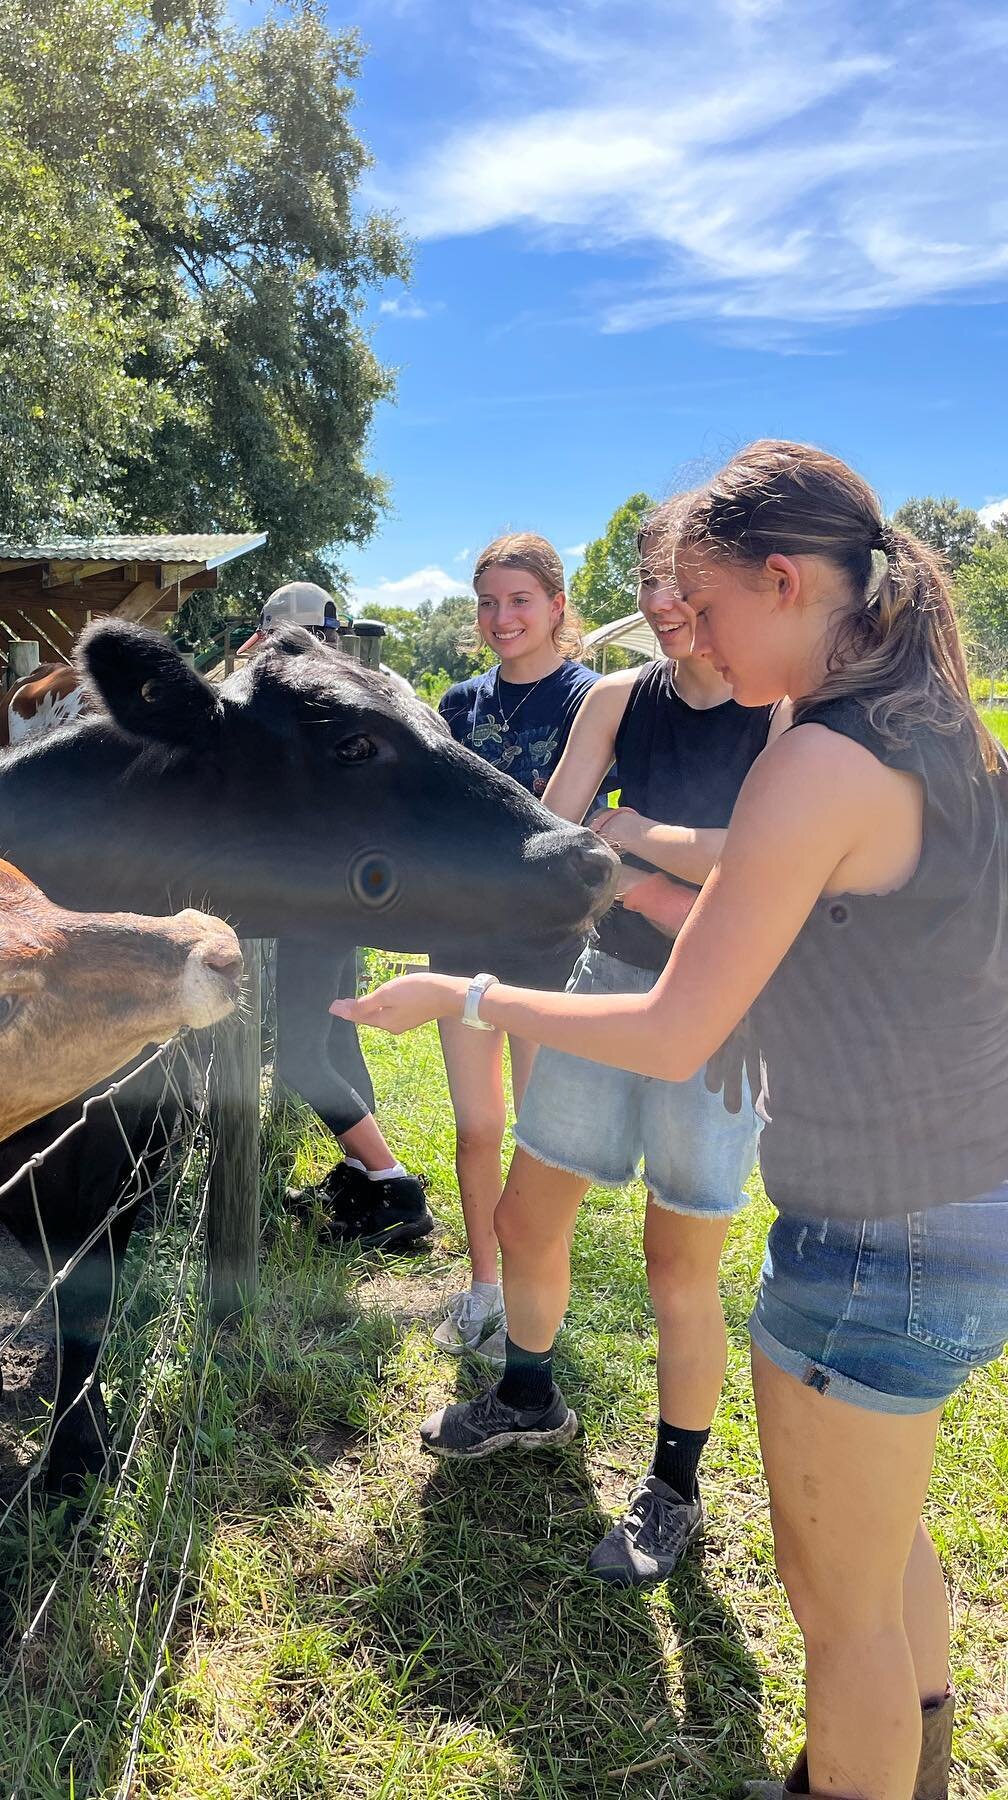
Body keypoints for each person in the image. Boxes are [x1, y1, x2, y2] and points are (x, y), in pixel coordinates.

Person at [334, 440, 1008, 1800]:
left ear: (782, 579)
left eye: (704, 606)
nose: (688, 636)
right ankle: (907, 1770)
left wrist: (465, 995)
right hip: (959, 1202)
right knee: (887, 1553)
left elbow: (672, 1027)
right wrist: (646, 843)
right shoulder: (936, 726)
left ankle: (863, 1776)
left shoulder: (817, 754)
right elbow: (759, 867)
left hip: (876, 1233)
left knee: (842, 1611)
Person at [412, 500, 789, 1585]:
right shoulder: (620, 701)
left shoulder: (778, 711)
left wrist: (631, 840)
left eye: (684, 581)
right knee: (532, 1213)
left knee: (680, 1258)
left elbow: (766, 862)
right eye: (650, 580)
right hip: (605, 976)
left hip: (718, 1004)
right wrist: (654, 864)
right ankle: (529, 1395)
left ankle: (674, 1485)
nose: (665, 604)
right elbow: (553, 840)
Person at [428, 534, 601, 1360]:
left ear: (557, 606)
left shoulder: (591, 699)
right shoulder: (459, 704)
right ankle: (484, 1289)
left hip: (548, 946)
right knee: (476, 1128)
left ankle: (537, 1305)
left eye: (520, 600)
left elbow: (592, 824)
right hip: (461, 936)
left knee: (541, 1137)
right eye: (490, 603)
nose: (503, 618)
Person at [250, 581, 434, 1248]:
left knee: (300, 1053)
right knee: (337, 1033)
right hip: (355, 892)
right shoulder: (375, 686)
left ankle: (393, 1188)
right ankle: (361, 1169)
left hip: (316, 897)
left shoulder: (305, 700)